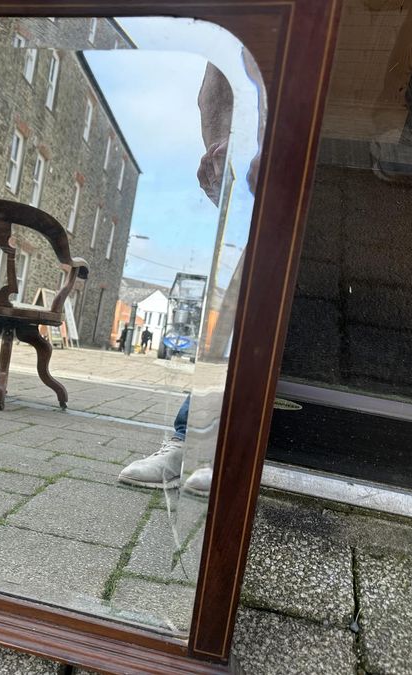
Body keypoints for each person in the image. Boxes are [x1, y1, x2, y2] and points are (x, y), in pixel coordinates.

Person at [119, 51, 266, 497]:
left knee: (271, 306)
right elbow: (218, 76)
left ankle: (244, 449)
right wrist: (220, 152)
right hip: (274, 171)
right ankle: (194, 442)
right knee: (248, 304)